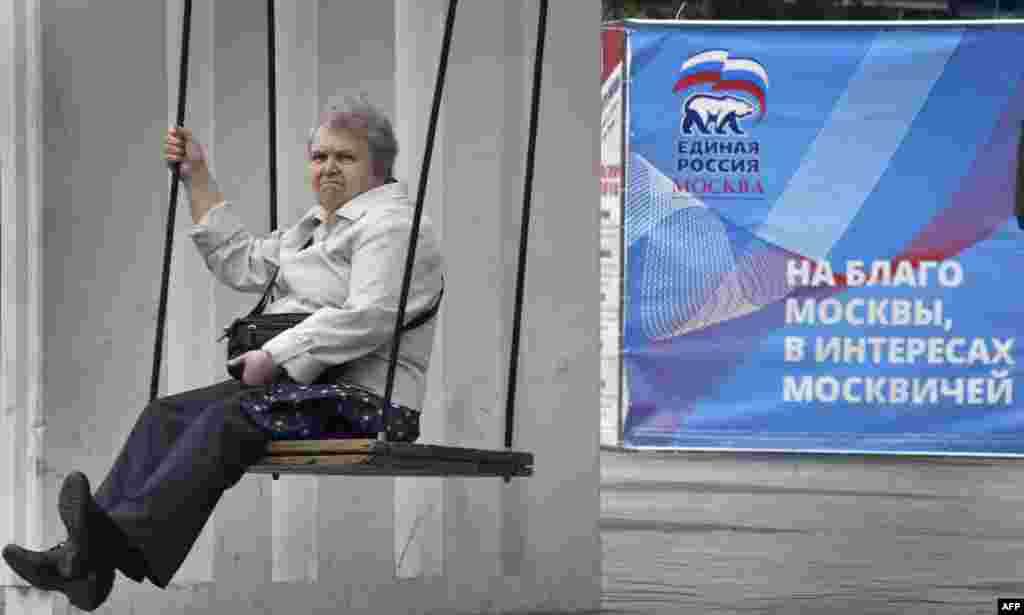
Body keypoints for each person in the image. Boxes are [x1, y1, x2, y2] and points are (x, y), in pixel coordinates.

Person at [1, 94, 444, 611]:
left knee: (229, 418)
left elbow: (368, 317)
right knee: (165, 415)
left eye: (344, 158)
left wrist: (276, 355)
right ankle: (83, 561)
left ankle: (104, 548)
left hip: (369, 401)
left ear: (379, 166)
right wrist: (197, 176)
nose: (327, 168)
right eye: (319, 156)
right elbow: (241, 261)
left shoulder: (394, 227)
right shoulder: (314, 231)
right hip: (302, 390)